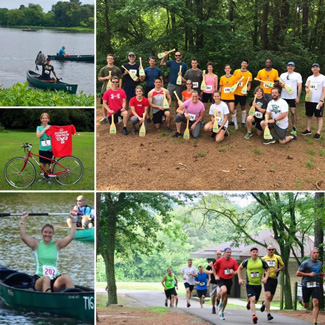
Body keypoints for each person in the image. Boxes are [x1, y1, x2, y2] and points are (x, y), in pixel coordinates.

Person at [20, 211, 76, 292]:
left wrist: (73, 220)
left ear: (53, 234)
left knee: (66, 278)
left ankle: (73, 299)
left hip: (55, 279)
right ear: (41, 233)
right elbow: (23, 236)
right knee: (46, 278)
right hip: (40, 279)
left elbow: (71, 236)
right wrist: (23, 220)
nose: (47, 234)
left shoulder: (57, 244)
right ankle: (48, 298)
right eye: (45, 232)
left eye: (50, 233)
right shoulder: (36, 244)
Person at [237, 247, 269, 324]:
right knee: (253, 299)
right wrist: (240, 279)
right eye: (253, 252)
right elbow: (239, 269)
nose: (255, 253)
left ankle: (249, 302)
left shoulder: (262, 261)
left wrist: (265, 278)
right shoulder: (247, 261)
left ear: (258, 253)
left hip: (258, 284)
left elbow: (268, 269)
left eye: (256, 252)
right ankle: (254, 315)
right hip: (250, 284)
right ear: (250, 253)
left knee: (255, 301)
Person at [296, 248, 324, 325]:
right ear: (311, 254)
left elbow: (318, 272)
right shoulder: (305, 263)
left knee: (316, 302)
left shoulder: (320, 263)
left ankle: (314, 321)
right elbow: (298, 273)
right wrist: (309, 274)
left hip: (316, 284)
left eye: (317, 253)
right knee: (306, 305)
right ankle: (303, 301)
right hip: (306, 284)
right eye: (314, 253)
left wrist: (322, 275)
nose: (316, 254)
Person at [213, 247, 239, 320]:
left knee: (226, 297)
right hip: (221, 278)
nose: (229, 254)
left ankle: (222, 312)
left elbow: (237, 271)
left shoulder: (233, 261)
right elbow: (213, 267)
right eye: (228, 252)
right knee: (223, 290)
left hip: (229, 279)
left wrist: (234, 272)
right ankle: (220, 302)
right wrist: (215, 275)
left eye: (230, 252)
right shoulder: (220, 260)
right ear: (224, 253)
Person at [260, 245, 285, 321]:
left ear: (274, 250)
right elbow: (260, 268)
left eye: (272, 249)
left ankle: (264, 304)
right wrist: (262, 278)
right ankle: (268, 314)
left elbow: (283, 265)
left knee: (270, 298)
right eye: (269, 249)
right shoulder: (263, 259)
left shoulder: (278, 257)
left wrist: (279, 269)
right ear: (267, 250)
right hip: (267, 279)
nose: (271, 251)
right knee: (268, 295)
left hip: (274, 279)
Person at [302, 63, 325, 140]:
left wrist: (321, 100)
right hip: (309, 100)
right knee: (309, 115)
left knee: (319, 117)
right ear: (311, 69)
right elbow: (306, 86)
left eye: (317, 67)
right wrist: (306, 90)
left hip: (318, 101)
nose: (315, 69)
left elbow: (324, 90)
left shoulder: (323, 78)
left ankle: (318, 133)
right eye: (313, 67)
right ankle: (308, 130)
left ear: (319, 69)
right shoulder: (309, 78)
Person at [98, 54, 122, 123]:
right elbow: (99, 78)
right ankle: (104, 117)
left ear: (113, 60)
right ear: (107, 59)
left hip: (115, 89)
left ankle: (118, 116)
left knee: (117, 102)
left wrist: (119, 88)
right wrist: (106, 78)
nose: (110, 60)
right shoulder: (103, 69)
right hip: (105, 89)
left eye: (111, 58)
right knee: (104, 103)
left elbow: (120, 79)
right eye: (109, 58)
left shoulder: (117, 69)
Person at [279, 62, 302, 135]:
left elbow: (300, 86)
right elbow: (280, 84)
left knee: (293, 112)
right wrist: (281, 85)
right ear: (287, 67)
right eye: (289, 66)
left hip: (292, 97)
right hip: (283, 96)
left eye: (292, 66)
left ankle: (294, 127)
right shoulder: (283, 75)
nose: (290, 67)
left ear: (294, 67)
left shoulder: (297, 75)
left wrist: (298, 97)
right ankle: (283, 127)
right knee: (283, 113)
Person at [233, 60, 253, 127]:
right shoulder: (236, 71)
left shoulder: (249, 74)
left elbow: (249, 84)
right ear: (241, 64)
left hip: (243, 93)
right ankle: (233, 121)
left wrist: (247, 91)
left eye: (245, 63)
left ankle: (243, 121)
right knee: (234, 107)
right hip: (235, 92)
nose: (244, 64)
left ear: (247, 65)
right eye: (243, 63)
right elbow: (233, 81)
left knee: (243, 107)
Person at [143, 56, 163, 121]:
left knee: (158, 102)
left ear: (155, 62)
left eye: (153, 61)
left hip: (157, 88)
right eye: (151, 61)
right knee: (148, 102)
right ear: (149, 61)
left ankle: (160, 115)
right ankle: (148, 116)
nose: (152, 62)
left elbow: (161, 79)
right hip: (148, 87)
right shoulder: (146, 70)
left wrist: (162, 88)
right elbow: (142, 78)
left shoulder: (158, 70)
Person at [219, 64, 238, 128]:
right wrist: (219, 94)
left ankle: (235, 124)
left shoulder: (233, 78)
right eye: (226, 68)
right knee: (222, 111)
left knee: (232, 110)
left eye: (228, 68)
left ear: (230, 69)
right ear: (224, 70)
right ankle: (222, 123)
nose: (227, 69)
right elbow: (221, 87)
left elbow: (235, 87)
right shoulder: (222, 77)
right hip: (223, 97)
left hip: (231, 96)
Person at [36, 113, 52, 184]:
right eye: (43, 118)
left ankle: (49, 177)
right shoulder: (39, 127)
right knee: (43, 164)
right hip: (42, 149)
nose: (44, 119)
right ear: (41, 119)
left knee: (50, 164)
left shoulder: (51, 127)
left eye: (46, 118)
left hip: (50, 148)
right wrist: (45, 129)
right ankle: (44, 177)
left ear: (48, 119)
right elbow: (38, 135)